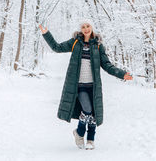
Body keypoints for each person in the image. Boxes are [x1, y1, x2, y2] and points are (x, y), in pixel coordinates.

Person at [39, 19, 133, 150]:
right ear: (81, 29)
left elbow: (106, 65)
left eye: (88, 26)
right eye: (83, 27)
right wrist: (46, 33)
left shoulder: (98, 46)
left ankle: (90, 140)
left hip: (93, 87)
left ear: (92, 28)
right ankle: (79, 133)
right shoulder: (75, 43)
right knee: (87, 110)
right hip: (80, 86)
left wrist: (122, 74)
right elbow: (57, 47)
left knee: (93, 115)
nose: (86, 29)